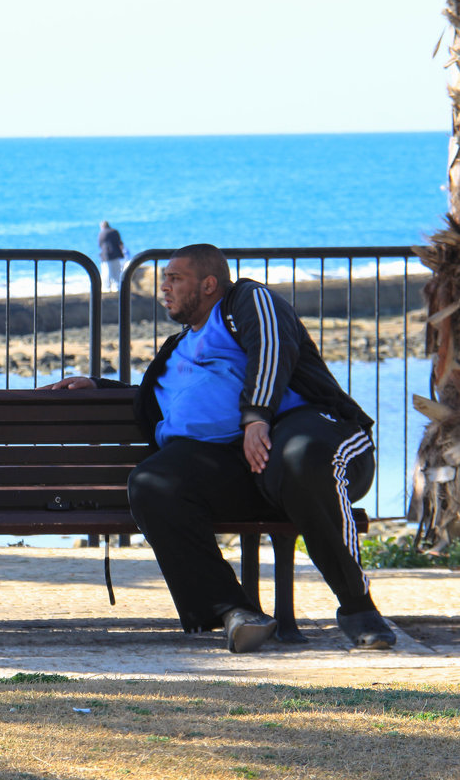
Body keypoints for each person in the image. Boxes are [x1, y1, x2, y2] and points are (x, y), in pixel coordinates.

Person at [46, 243, 395, 653]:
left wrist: (256, 416)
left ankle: (358, 607)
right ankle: (235, 612)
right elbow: (161, 396)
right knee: (151, 482)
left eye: (175, 278)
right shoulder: (176, 349)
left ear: (209, 284)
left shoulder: (246, 300)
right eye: (164, 279)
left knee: (300, 455)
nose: (164, 287)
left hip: (307, 438)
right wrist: (99, 387)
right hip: (237, 469)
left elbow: (272, 347)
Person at [98, 220, 126, 293]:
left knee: (106, 272)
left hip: (105, 255)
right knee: (117, 271)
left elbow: (100, 245)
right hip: (115, 254)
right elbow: (120, 243)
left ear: (102, 226)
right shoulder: (114, 231)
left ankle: (106, 287)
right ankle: (117, 287)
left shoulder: (101, 233)